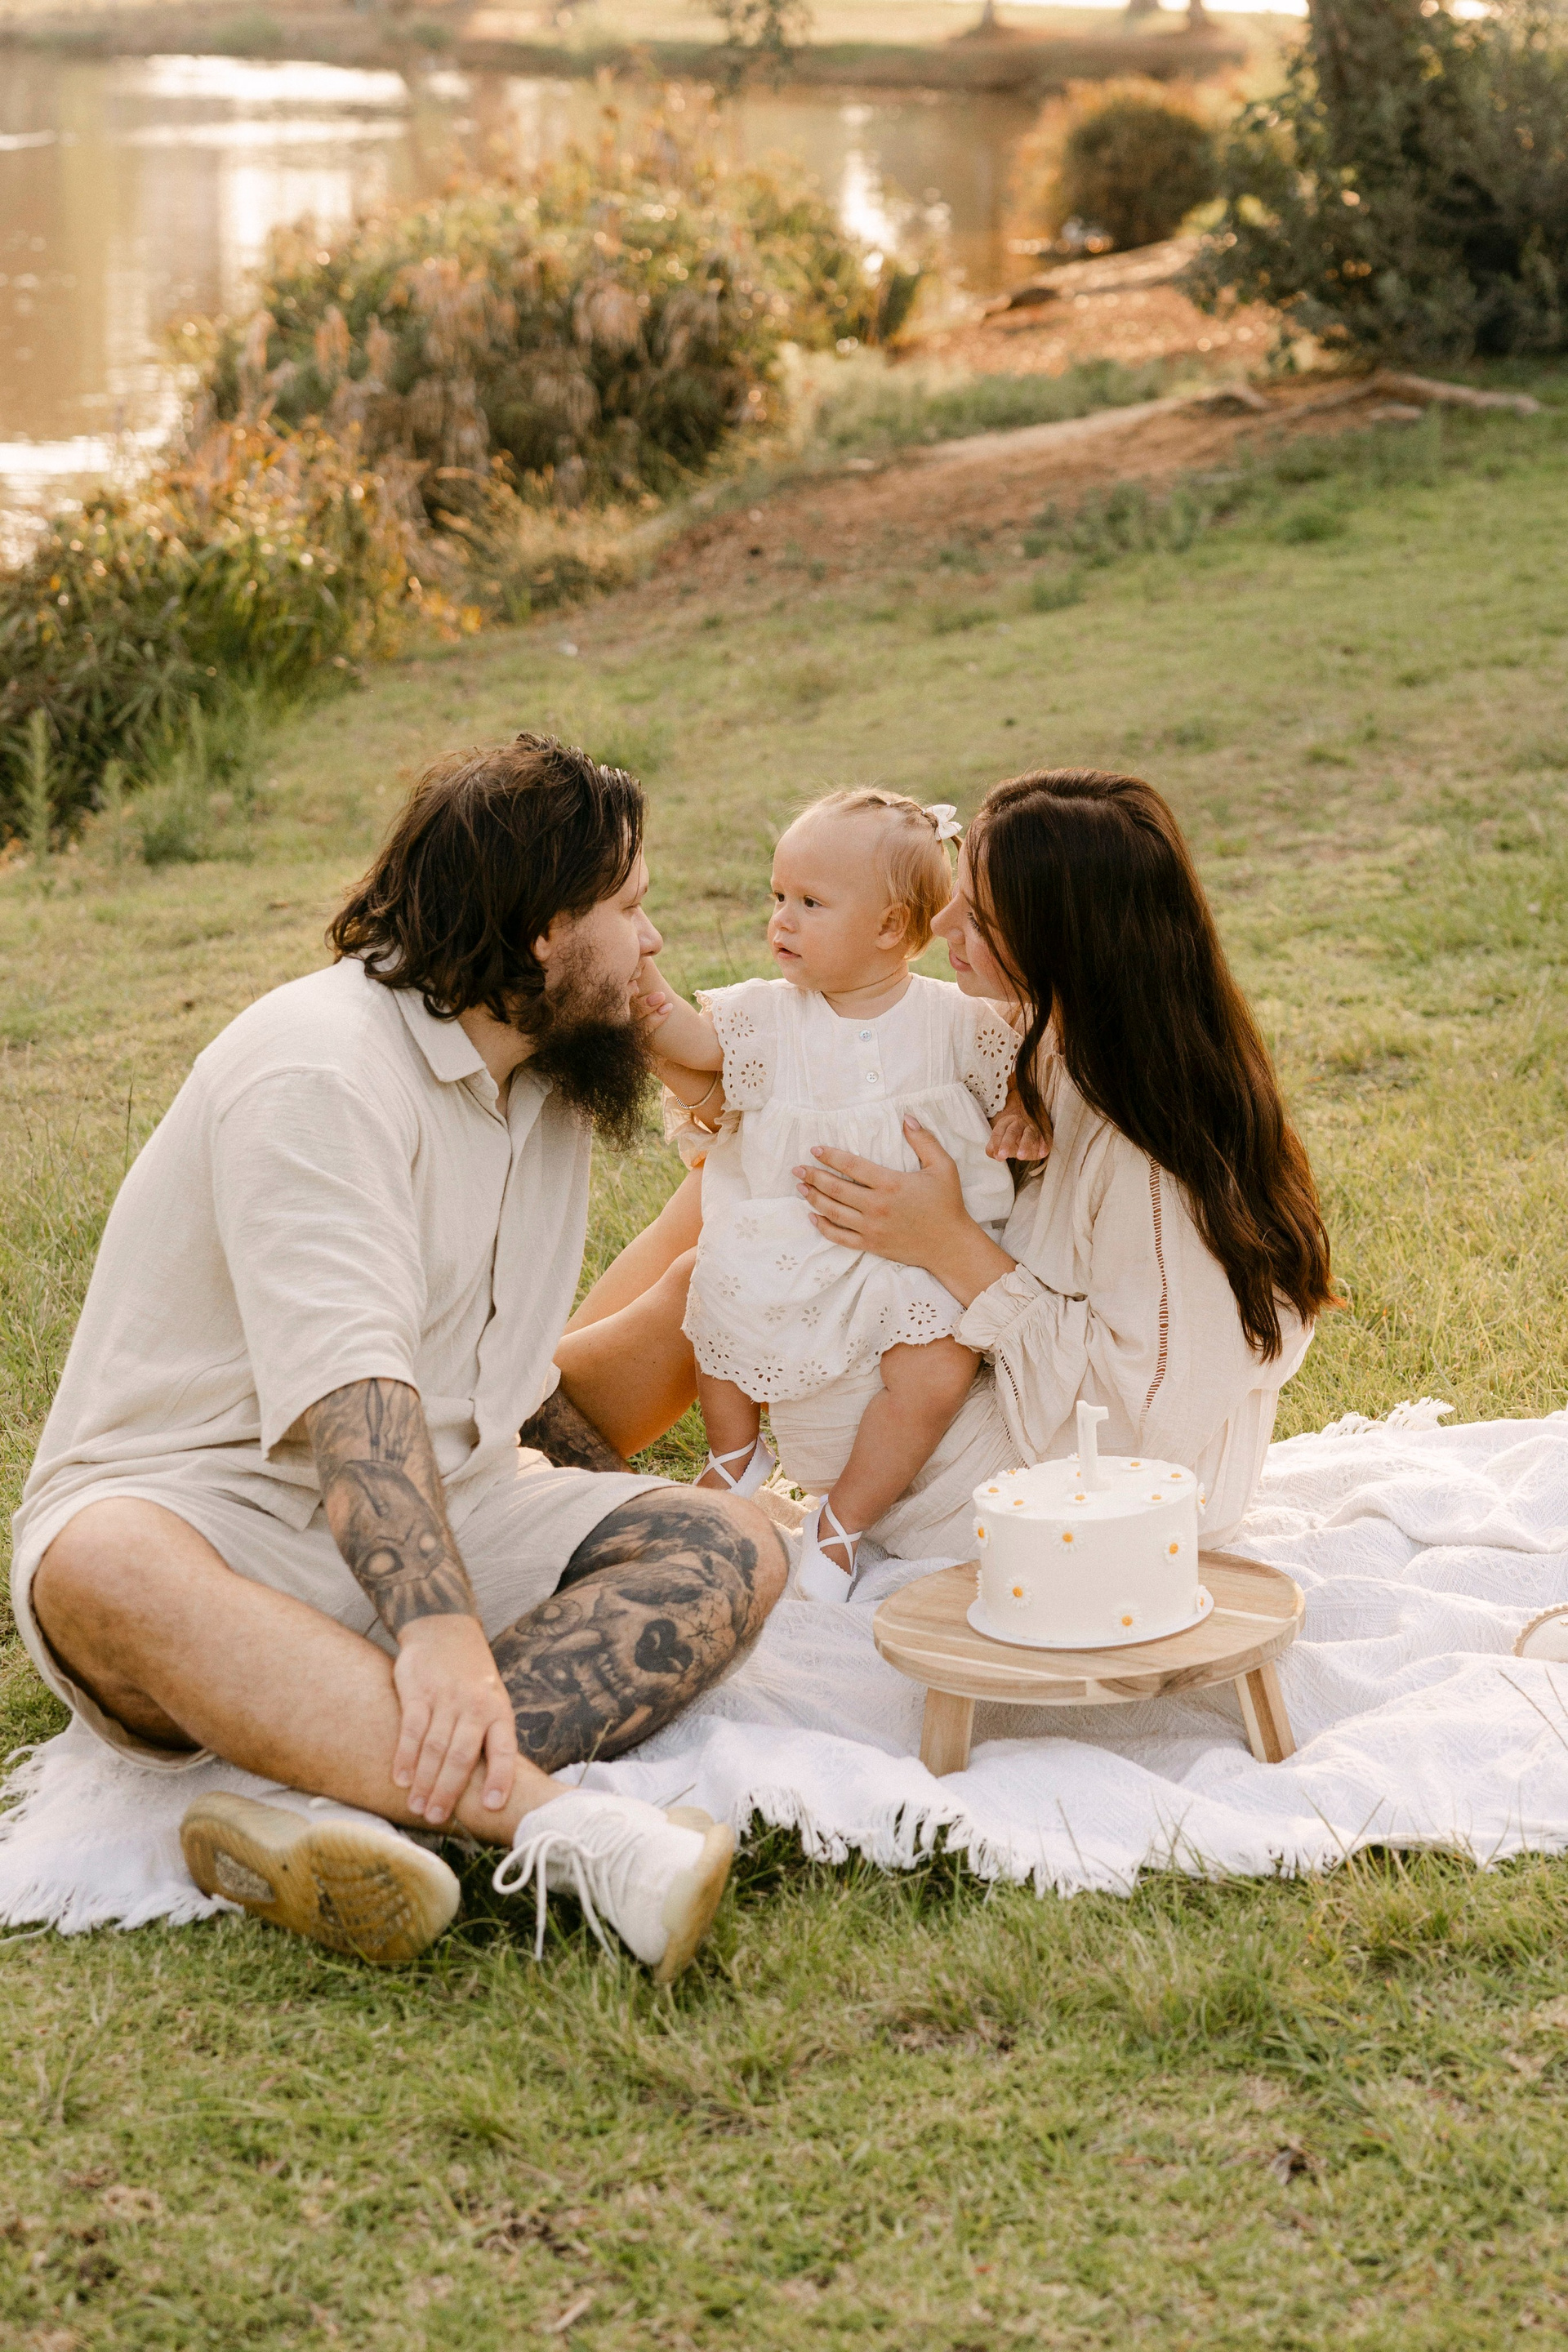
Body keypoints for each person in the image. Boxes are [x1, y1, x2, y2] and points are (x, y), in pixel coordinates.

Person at [12, 736, 787, 1980]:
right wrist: (438, 1636)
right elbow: (356, 1400)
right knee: (102, 1564)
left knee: (735, 1544)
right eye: (631, 910)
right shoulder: (319, 1065)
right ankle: (576, 1838)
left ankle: (323, 1808)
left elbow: (503, 1397)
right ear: (543, 931)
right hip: (219, 1520)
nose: (654, 943)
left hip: (461, 1494)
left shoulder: (544, 1060)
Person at [567, 768, 1336, 1565]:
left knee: (711, 1271)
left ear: (1058, 943)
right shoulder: (1051, 1039)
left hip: (1066, 1487)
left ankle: (536, 1445)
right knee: (732, 1211)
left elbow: (1143, 1427)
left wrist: (946, 1243)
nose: (938, 924)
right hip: (963, 1395)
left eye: (977, 914)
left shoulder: (1151, 1148)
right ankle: (533, 1408)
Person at [640, 790, 1019, 1598]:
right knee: (717, 1293)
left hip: (919, 1259)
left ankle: (841, 1524)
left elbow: (1022, 1069)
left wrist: (1021, 1109)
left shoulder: (955, 1021)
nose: (781, 919)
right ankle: (736, 1456)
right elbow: (693, 1044)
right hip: (797, 1238)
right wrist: (642, 989)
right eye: (778, 895)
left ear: (889, 927)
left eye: (810, 903)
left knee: (935, 1374)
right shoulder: (769, 1016)